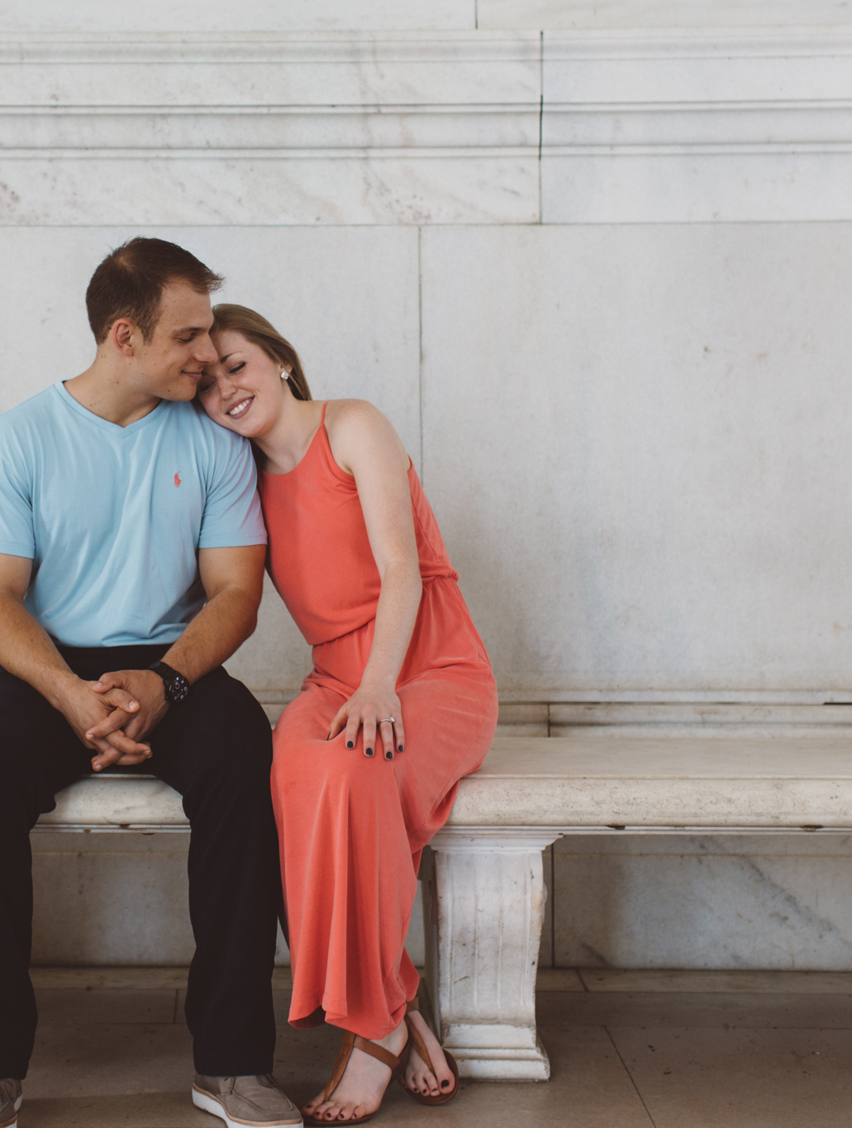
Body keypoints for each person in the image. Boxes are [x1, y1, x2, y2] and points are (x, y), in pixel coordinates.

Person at [0, 240, 301, 1128]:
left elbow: (235, 593)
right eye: (188, 335)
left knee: (246, 760)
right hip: (46, 667)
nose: (208, 354)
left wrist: (166, 681)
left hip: (175, 665)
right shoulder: (19, 436)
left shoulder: (214, 436)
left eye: (211, 332)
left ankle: (231, 1063)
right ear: (124, 335)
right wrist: (69, 691)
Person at [198, 305, 498, 1126]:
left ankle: (370, 1036)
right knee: (291, 776)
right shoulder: (244, 484)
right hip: (335, 680)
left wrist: (379, 685)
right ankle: (395, 1011)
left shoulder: (353, 425)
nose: (226, 388)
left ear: (281, 361)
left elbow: (401, 569)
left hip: (429, 669)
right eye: (208, 381)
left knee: (351, 770)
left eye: (238, 365)